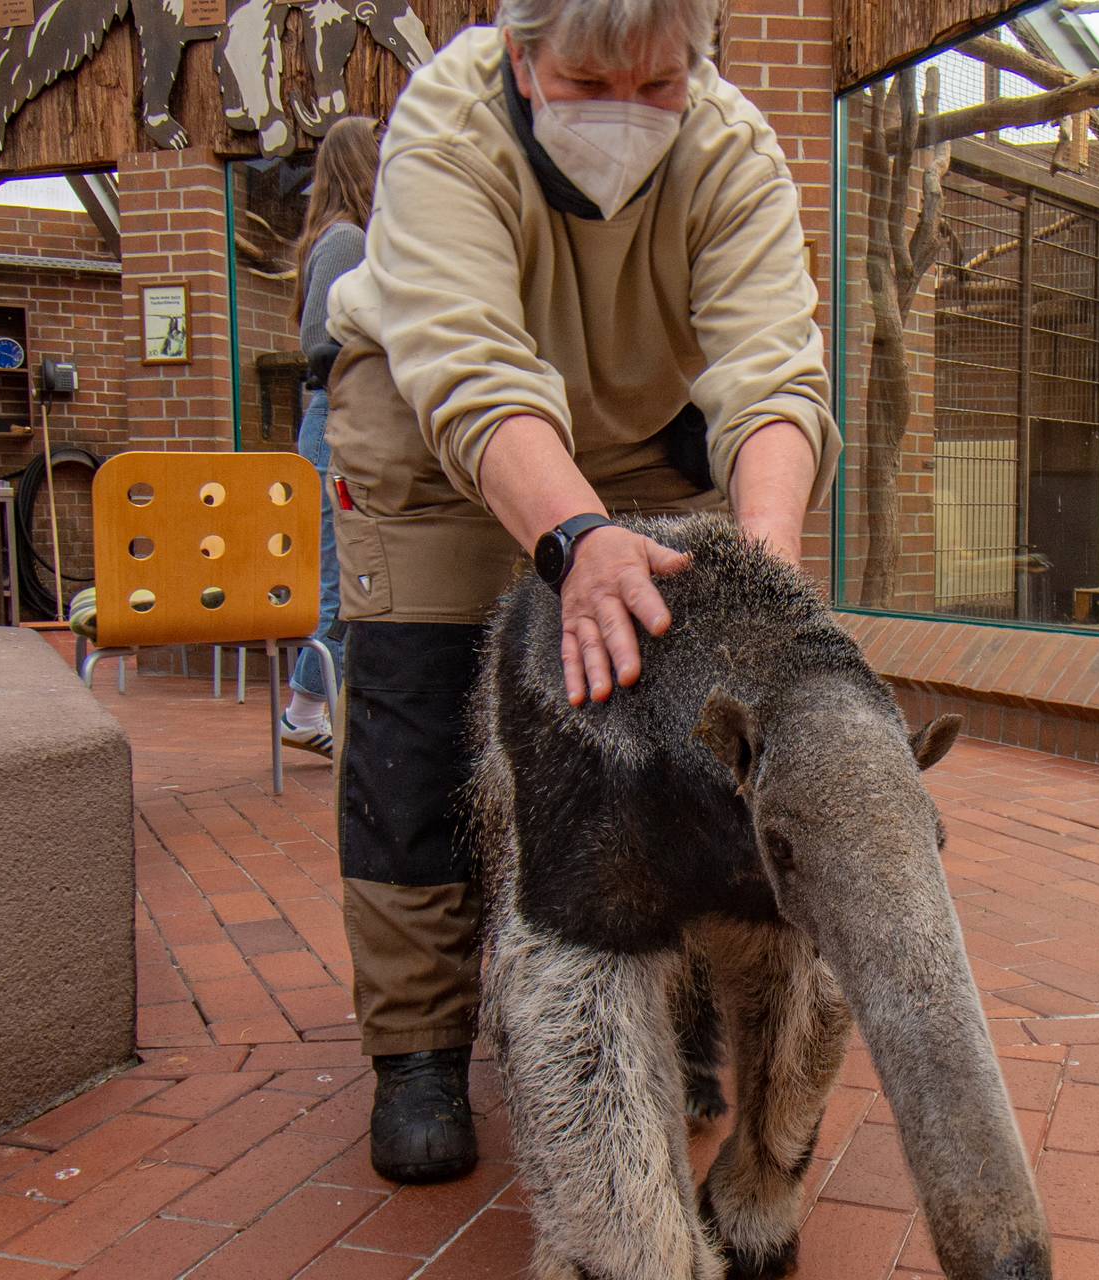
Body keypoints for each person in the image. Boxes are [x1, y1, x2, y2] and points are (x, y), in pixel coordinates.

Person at [320, 0, 836, 1185]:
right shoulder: (444, 128)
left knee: (688, 723)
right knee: (419, 710)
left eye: (658, 86)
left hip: (648, 433)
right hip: (432, 429)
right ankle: (419, 1044)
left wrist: (762, 573)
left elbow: (769, 371)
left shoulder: (733, 149)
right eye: (593, 78)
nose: (628, 112)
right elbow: (468, 362)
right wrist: (572, 536)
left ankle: (683, 1002)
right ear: (520, 52)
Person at [278, 117, 380, 759]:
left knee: (344, 581)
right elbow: (321, 343)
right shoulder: (345, 239)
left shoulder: (338, 236)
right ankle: (304, 710)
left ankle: (307, 710)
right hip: (336, 422)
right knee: (341, 585)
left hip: (335, 422)